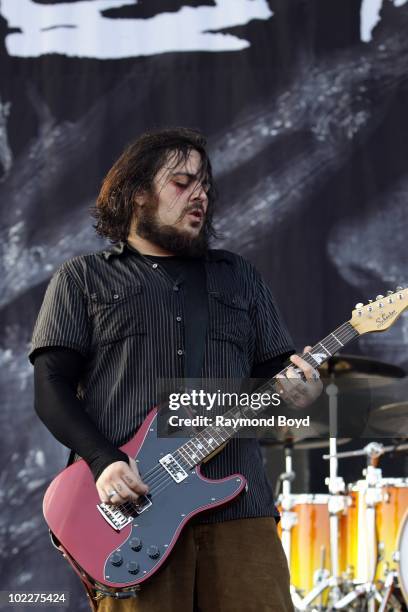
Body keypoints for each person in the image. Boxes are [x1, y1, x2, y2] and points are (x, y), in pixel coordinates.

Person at [29, 127, 322, 612]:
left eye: (205, 186)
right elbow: (50, 386)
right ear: (138, 193)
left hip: (239, 511)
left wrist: (303, 392)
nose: (200, 195)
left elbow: (278, 375)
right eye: (183, 183)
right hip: (134, 507)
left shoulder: (238, 276)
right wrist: (105, 462)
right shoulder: (81, 278)